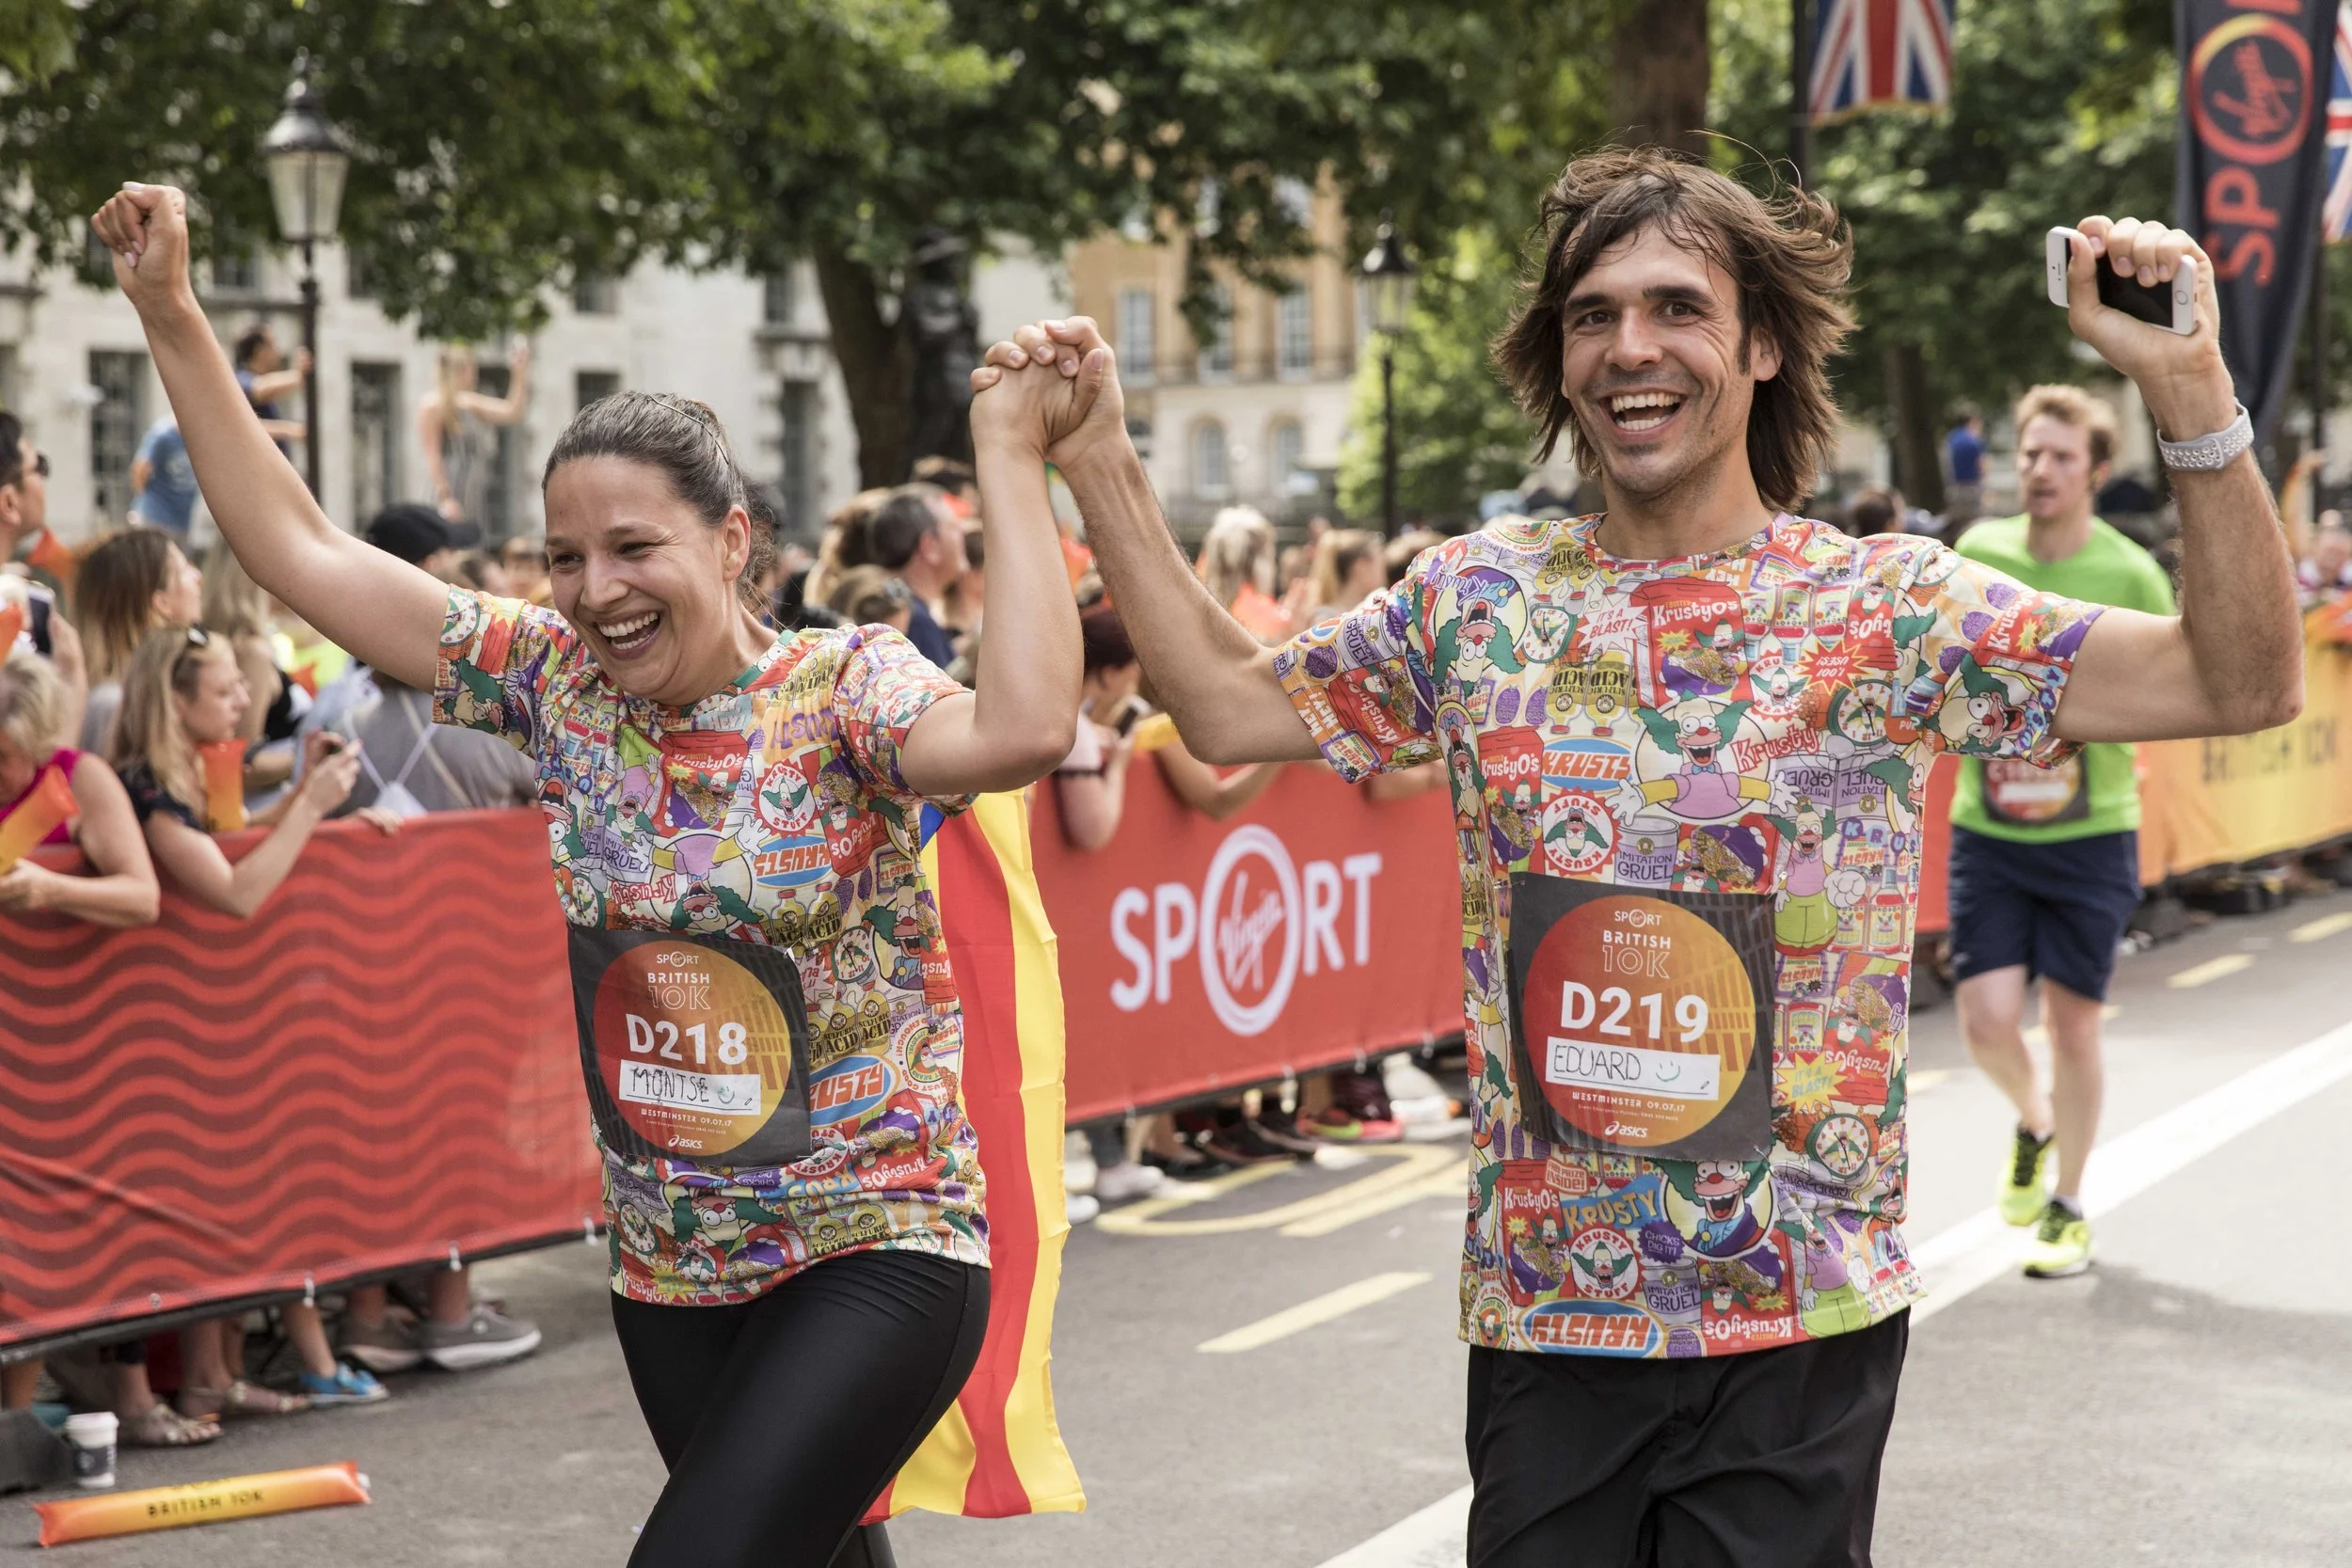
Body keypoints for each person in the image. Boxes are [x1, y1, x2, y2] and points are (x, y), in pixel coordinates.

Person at [973, 148, 2300, 1564]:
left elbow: (2237, 679)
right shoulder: (1479, 601)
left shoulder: (1885, 608)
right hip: (1550, 1319)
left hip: (1795, 1320)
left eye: (1678, 306)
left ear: (1765, 345)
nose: (1631, 348)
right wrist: (1100, 456)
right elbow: (1236, 702)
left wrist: (2187, 391)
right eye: (1593, 315)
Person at [97, 177, 1081, 1568]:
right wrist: (173, 312)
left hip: (880, 1242)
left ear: (733, 539)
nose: (596, 587)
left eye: (634, 547)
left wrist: (1008, 453)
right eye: (565, 556)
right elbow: (302, 550)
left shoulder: (845, 685)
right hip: (672, 1268)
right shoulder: (550, 681)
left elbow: (1030, 725)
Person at [1947, 385, 2179, 1279]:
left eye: (2060, 458)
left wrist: (2090, 725)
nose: (2039, 471)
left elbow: (2173, 691)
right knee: (1987, 1019)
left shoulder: (2130, 574)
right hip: (1991, 830)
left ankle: (2070, 1202)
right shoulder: (1980, 554)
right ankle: (2034, 1122)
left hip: (2092, 835)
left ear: (2097, 471)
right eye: (2030, 455)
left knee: (2073, 1023)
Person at [0, 651, 158, 927]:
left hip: (53, 958)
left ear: (36, 747)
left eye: (1, 757)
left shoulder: (80, 778)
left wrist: (51, 889)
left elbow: (143, 898)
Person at [72, 526, 203, 752]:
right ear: (161, 602)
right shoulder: (114, 705)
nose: (198, 577)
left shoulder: (144, 692)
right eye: (184, 570)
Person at [0, 413, 89, 736]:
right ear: (9, 502)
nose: (45, 480)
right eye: (39, 466)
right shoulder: (23, 608)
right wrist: (73, 681)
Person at [419, 342, 531, 527]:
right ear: (461, 370)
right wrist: (445, 497)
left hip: (472, 494)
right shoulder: (432, 405)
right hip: (449, 491)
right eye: (472, 369)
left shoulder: (469, 403)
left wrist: (519, 374)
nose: (474, 375)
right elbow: (433, 455)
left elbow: (513, 412)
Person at [862, 483, 968, 666]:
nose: (963, 534)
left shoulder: (898, 611)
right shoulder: (913, 623)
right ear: (930, 546)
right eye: (953, 526)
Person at [231, 324, 310, 457]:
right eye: (272, 345)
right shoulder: (240, 379)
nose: (277, 352)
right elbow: (260, 388)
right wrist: (297, 377)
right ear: (259, 350)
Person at [129, 414, 200, 535]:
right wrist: (142, 500)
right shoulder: (162, 436)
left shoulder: (197, 437)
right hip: (156, 516)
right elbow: (140, 468)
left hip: (182, 519)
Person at [1946, 400, 1986, 526]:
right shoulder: (1974, 439)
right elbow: (1982, 464)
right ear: (1971, 421)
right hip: (1972, 487)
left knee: (1956, 523)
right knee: (1973, 523)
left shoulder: (1951, 438)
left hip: (1955, 487)